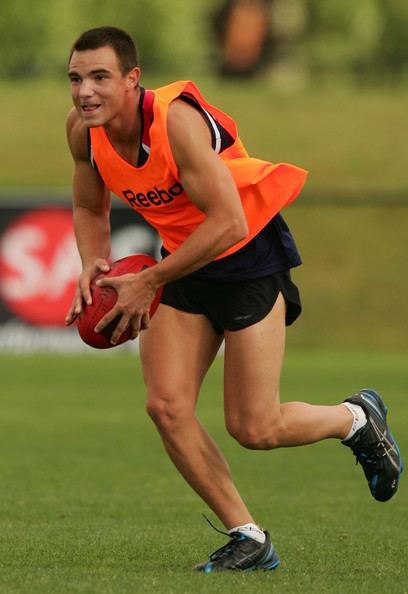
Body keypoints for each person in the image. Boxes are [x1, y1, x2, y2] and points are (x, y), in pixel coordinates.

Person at [65, 26, 402, 572]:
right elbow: (89, 207)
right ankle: (249, 536)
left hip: (247, 257)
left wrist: (149, 280)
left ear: (132, 80)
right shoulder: (83, 132)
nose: (85, 91)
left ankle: (355, 419)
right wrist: (92, 263)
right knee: (166, 406)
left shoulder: (176, 123)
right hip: (182, 262)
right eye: (76, 78)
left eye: (100, 77)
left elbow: (228, 222)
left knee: (255, 428)